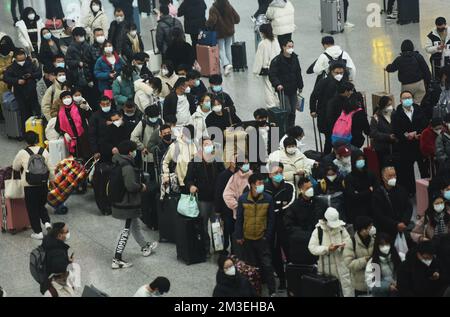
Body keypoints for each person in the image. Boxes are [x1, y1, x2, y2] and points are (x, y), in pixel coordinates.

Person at [111, 140, 158, 269]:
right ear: (130, 152)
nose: (135, 152)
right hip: (126, 204)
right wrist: (141, 186)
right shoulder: (127, 166)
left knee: (135, 226)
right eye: (134, 150)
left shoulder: (118, 161)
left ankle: (144, 246)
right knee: (125, 231)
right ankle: (117, 258)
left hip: (122, 201)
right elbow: (131, 186)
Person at [235, 173, 277, 296]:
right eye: (259, 183)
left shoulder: (268, 199)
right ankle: (252, 291)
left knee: (267, 265)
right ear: (252, 185)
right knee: (250, 266)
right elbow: (239, 219)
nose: (262, 185)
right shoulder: (243, 199)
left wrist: (267, 236)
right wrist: (239, 236)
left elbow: (271, 220)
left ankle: (272, 290)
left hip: (261, 238)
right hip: (247, 238)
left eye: (262, 183)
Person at [185, 138, 225, 255]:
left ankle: (219, 248)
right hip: (202, 199)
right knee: (203, 225)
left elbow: (223, 175)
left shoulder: (217, 160)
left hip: (216, 198)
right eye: (206, 144)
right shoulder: (194, 162)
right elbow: (188, 179)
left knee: (217, 225)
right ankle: (205, 248)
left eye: (211, 144)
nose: (209, 146)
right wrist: (191, 186)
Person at [12, 131, 51, 240]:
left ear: (26, 141)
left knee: (32, 208)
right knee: (41, 205)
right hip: (43, 183)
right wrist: (51, 180)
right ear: (37, 139)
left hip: (29, 185)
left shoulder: (22, 153)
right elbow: (50, 168)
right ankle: (47, 222)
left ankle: (38, 232)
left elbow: (15, 167)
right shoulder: (44, 151)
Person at [308, 207, 354, 297]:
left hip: (343, 266)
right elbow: (312, 248)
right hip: (326, 269)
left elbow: (349, 241)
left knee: (347, 290)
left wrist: (343, 246)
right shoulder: (318, 231)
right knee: (329, 291)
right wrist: (327, 249)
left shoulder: (341, 229)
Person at [265, 162, 295, 291]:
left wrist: (276, 209)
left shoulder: (289, 186)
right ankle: (282, 280)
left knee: (290, 254)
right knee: (275, 254)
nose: (279, 175)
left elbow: (290, 204)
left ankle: (293, 280)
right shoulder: (265, 188)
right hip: (271, 226)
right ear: (270, 174)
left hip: (286, 224)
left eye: (280, 172)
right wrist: (276, 208)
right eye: (275, 173)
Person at [392, 91, 429, 195]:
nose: (407, 100)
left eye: (409, 97)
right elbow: (396, 130)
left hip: (419, 144)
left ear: (412, 99)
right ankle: (411, 190)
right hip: (405, 147)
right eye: (404, 98)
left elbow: (425, 124)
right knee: (407, 170)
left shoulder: (418, 109)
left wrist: (418, 133)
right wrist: (406, 136)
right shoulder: (396, 114)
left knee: (423, 168)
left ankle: (425, 189)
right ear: (400, 100)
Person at [310, 63, 346, 154]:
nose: (339, 75)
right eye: (336, 73)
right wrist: (313, 110)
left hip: (340, 115)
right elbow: (314, 96)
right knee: (329, 138)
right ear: (331, 72)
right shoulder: (324, 82)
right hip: (326, 115)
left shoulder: (345, 82)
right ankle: (327, 157)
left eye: (341, 73)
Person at [284, 176, 320, 265]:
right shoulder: (294, 207)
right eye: (307, 188)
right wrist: (308, 235)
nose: (310, 189)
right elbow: (289, 226)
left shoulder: (320, 203)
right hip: (302, 245)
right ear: (301, 190)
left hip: (319, 243)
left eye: (311, 187)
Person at [3, 49, 41, 130]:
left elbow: (38, 73)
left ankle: (38, 131)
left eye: (22, 54)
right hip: (20, 93)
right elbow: (6, 78)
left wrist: (31, 75)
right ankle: (26, 133)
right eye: (19, 54)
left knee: (36, 111)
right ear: (15, 57)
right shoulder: (12, 67)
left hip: (32, 91)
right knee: (24, 113)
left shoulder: (30, 64)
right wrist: (17, 81)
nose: (21, 56)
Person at [269, 40, 304, 128]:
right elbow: (272, 74)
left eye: (292, 46)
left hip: (293, 88)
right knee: (287, 109)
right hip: (283, 90)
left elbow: (298, 72)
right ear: (283, 47)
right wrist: (277, 84)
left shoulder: (295, 58)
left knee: (293, 110)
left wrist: (300, 85)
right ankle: (285, 127)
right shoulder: (277, 60)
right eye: (289, 46)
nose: (291, 48)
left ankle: (291, 127)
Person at [371, 166, 413, 240]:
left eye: (394, 175)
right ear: (383, 178)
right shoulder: (377, 194)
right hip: (386, 231)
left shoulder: (402, 190)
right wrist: (395, 224)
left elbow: (409, 207)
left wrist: (404, 222)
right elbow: (379, 215)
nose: (393, 178)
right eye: (390, 176)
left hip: (402, 228)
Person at [386, 40, 431, 104]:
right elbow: (426, 70)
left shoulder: (399, 59)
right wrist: (428, 82)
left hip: (406, 86)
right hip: (419, 84)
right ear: (412, 48)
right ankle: (417, 111)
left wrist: (387, 67)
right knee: (418, 104)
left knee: (407, 105)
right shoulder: (418, 56)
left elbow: (391, 68)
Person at [206, 0, 240, 76]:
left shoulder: (213, 8)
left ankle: (226, 64)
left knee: (220, 49)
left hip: (220, 32)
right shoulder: (229, 6)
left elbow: (212, 21)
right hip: (229, 31)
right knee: (228, 48)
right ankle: (230, 64)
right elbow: (237, 18)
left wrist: (207, 24)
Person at [343, 216, 376, 296]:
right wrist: (365, 260)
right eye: (370, 227)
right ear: (363, 229)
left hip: (375, 281)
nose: (372, 228)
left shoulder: (374, 240)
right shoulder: (351, 242)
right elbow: (349, 263)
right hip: (360, 284)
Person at [55, 91, 91, 161]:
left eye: (68, 97)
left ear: (71, 98)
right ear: (62, 100)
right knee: (76, 161)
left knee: (87, 158)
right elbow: (57, 126)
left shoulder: (79, 108)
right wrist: (64, 133)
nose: (67, 99)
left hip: (83, 138)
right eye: (64, 98)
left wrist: (87, 109)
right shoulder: (60, 113)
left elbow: (89, 116)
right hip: (71, 141)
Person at [162, 125, 197, 193]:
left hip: (191, 181)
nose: (190, 139)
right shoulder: (175, 146)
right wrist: (165, 175)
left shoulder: (193, 145)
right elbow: (165, 161)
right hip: (179, 182)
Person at [365, 232, 401, 297]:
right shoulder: (374, 262)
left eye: (387, 244)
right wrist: (388, 286)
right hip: (382, 293)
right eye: (382, 245)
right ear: (377, 246)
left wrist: (399, 282)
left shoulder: (399, 257)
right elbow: (371, 283)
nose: (385, 247)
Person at [253, 23, 280, 108]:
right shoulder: (275, 40)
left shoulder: (262, 44)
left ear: (263, 33)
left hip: (267, 69)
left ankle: (271, 106)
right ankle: (278, 102)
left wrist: (256, 72)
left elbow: (259, 59)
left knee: (268, 88)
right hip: (277, 68)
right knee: (276, 87)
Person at [66, 27, 96, 98]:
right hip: (76, 76)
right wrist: (77, 63)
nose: (79, 37)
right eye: (77, 36)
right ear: (74, 37)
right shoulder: (71, 48)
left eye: (81, 35)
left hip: (88, 75)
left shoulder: (88, 46)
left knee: (90, 96)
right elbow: (68, 61)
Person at [215, 158, 237, 255]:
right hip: (226, 208)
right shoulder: (223, 175)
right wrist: (218, 210)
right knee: (226, 230)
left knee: (234, 231)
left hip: (236, 208)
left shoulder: (241, 175)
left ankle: (234, 252)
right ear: (231, 162)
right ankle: (223, 251)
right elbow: (218, 193)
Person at [370, 96, 398, 168]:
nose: (390, 107)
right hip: (382, 149)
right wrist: (388, 136)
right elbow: (373, 133)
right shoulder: (376, 117)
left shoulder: (394, 114)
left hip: (395, 148)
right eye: (388, 105)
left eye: (391, 104)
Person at [89, 96, 114, 162]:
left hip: (114, 147)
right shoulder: (95, 116)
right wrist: (95, 151)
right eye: (103, 104)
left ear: (110, 103)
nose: (106, 106)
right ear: (100, 105)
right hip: (101, 148)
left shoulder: (115, 114)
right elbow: (92, 135)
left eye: (107, 104)